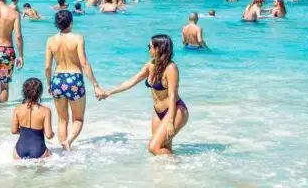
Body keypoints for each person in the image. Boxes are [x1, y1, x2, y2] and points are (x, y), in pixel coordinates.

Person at [99, 35, 189, 155]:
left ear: (159, 48)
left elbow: (172, 95)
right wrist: (109, 92)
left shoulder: (171, 68)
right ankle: (170, 171)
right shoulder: (151, 65)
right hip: (158, 112)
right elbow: (131, 81)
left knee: (153, 147)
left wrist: (170, 121)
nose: (148, 50)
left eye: (150, 47)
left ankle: (179, 164)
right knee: (163, 147)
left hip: (175, 110)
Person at [45, 10, 104, 150]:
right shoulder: (78, 38)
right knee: (78, 119)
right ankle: (69, 141)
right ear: (71, 22)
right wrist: (95, 85)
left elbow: (47, 67)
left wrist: (49, 83)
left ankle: (63, 151)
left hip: (57, 80)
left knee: (62, 120)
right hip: (74, 79)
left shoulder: (50, 40)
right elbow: (84, 63)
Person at [12, 78, 53, 159]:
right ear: (40, 93)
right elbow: (48, 135)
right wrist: (52, 134)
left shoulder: (17, 109)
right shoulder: (46, 111)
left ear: (24, 92)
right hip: (39, 151)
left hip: (19, 151)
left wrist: (26, 132)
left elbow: (14, 131)